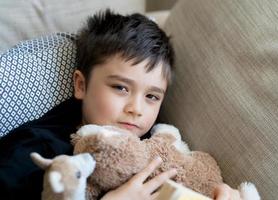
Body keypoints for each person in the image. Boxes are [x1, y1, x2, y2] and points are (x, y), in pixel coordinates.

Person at [0, 10, 241, 200]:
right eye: (121, 88)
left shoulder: (153, 149)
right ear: (81, 85)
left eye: (152, 97)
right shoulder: (34, 150)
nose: (136, 109)